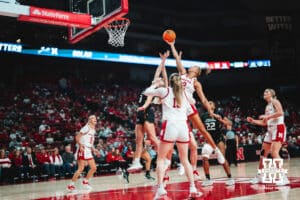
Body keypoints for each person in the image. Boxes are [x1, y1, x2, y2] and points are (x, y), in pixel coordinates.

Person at [166, 41, 225, 178]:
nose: (191, 66)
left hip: (189, 106)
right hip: (179, 108)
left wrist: (210, 111)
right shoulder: (182, 73)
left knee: (202, 130)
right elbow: (176, 58)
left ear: (196, 71)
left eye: (194, 66)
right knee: (181, 137)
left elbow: (203, 99)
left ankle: (217, 152)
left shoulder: (196, 83)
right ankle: (183, 163)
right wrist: (172, 45)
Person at [144, 73, 202, 199]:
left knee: (160, 159)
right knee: (184, 160)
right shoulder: (185, 93)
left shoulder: (164, 91)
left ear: (169, 82)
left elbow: (147, 92)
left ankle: (160, 188)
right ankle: (192, 187)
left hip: (170, 125)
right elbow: (193, 102)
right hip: (183, 126)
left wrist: (155, 84)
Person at [128, 51, 169, 172]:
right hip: (141, 112)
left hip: (146, 111)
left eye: (160, 79)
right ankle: (136, 162)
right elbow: (158, 71)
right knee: (138, 139)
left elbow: (149, 99)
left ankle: (165, 158)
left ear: (161, 84)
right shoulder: (153, 84)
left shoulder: (157, 90)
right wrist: (163, 61)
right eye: (158, 78)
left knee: (152, 137)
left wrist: (144, 106)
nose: (158, 78)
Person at [247, 88, 289, 186]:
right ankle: (260, 175)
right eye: (264, 91)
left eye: (267, 92)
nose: (264, 93)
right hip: (270, 130)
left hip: (278, 128)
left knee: (274, 152)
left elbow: (280, 113)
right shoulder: (267, 107)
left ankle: (284, 177)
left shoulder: (275, 101)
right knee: (263, 154)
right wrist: (253, 121)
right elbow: (264, 122)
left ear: (272, 94)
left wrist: (267, 117)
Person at [200, 101, 235, 186]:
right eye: (208, 103)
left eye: (211, 103)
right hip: (209, 140)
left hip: (218, 139)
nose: (209, 104)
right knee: (204, 157)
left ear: (214, 106)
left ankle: (230, 178)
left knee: (222, 159)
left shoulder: (218, 113)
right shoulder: (203, 115)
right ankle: (208, 179)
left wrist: (221, 121)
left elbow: (230, 123)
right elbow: (199, 126)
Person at [67, 115, 100, 192]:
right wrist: (80, 145)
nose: (95, 119)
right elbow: (77, 137)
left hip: (88, 149)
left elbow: (90, 142)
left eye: (95, 118)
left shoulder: (93, 129)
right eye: (93, 118)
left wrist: (94, 149)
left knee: (94, 168)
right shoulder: (86, 128)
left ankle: (85, 182)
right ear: (89, 120)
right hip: (83, 149)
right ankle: (70, 185)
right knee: (81, 168)